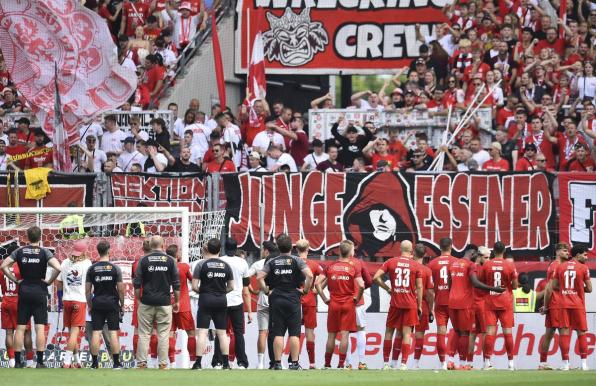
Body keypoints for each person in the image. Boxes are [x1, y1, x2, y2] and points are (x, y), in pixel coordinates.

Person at [0, 226, 61, 368]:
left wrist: (15, 281)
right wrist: (49, 282)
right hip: (39, 291)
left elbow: (3, 265)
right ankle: (39, 361)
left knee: (20, 328)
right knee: (39, 328)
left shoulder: (19, 251)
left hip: (24, 291)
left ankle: (17, 362)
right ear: (40, 237)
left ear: (27, 237)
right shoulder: (44, 252)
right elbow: (58, 267)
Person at [257, 234, 313, 370]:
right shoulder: (297, 260)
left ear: (278, 247)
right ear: (291, 247)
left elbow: (259, 277)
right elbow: (310, 275)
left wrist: (266, 290)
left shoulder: (272, 261)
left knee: (278, 333)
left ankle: (277, 363)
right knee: (294, 333)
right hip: (293, 298)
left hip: (276, 298)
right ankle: (294, 363)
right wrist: (305, 290)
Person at [448, 244, 504, 371]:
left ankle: (460, 361)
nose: (488, 260)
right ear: (476, 255)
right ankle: (483, 363)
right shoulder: (479, 268)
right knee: (479, 333)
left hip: (454, 301)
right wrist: (495, 289)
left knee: (461, 332)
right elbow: (477, 283)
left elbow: (449, 283)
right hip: (476, 304)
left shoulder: (454, 264)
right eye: (486, 257)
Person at [133, 236, 181, 369]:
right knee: (164, 334)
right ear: (163, 245)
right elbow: (176, 285)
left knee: (144, 333)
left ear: (150, 245)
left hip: (146, 301)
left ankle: (142, 363)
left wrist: (138, 299)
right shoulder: (170, 260)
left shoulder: (143, 260)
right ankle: (163, 363)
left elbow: (137, 284)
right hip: (164, 302)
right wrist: (177, 301)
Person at [373, 240, 422, 371]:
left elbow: (376, 277)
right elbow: (419, 286)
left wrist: (387, 289)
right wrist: (419, 305)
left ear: (400, 249)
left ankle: (385, 363)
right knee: (407, 334)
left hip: (395, 302)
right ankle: (404, 364)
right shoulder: (416, 265)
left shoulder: (391, 262)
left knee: (389, 332)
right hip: (410, 303)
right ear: (412, 250)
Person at [316, 240, 364, 369]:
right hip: (348, 303)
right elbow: (362, 285)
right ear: (350, 252)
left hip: (333, 304)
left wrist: (325, 298)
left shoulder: (330, 266)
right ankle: (341, 364)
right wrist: (356, 299)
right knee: (345, 334)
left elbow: (317, 284)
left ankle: (327, 364)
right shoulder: (353, 267)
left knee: (331, 334)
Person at [546, 244, 592, 371]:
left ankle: (565, 364)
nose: (586, 257)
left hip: (563, 304)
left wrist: (566, 289)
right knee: (581, 333)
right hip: (578, 304)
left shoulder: (560, 267)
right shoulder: (583, 268)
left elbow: (553, 286)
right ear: (577, 255)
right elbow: (589, 288)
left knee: (564, 333)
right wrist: (577, 289)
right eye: (585, 255)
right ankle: (584, 364)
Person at [191, 238, 234, 370]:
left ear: (207, 249)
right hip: (221, 300)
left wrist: (203, 292)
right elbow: (231, 286)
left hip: (205, 300)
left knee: (202, 332)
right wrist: (220, 292)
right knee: (222, 333)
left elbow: (194, 286)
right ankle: (226, 364)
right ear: (219, 250)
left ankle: (198, 363)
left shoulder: (201, 265)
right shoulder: (226, 265)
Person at [85, 240, 125, 369]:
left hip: (97, 303)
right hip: (112, 303)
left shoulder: (92, 268)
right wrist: (122, 304)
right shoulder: (115, 268)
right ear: (109, 251)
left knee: (96, 332)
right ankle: (116, 363)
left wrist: (90, 305)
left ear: (98, 251)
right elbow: (121, 289)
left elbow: (87, 290)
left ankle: (95, 363)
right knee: (113, 332)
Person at [214, 238, 251, 369]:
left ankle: (218, 362)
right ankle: (241, 362)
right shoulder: (242, 262)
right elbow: (246, 287)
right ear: (236, 248)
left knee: (220, 332)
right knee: (238, 333)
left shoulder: (220, 261)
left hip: (221, 301)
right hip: (237, 301)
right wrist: (250, 311)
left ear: (224, 248)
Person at [481, 241, 518, 371]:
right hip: (505, 301)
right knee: (507, 332)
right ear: (504, 251)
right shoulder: (509, 265)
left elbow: (482, 283)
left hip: (490, 301)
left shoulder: (486, 265)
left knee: (490, 332)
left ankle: (487, 362)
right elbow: (514, 286)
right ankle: (511, 363)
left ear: (492, 251)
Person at [56, 239, 92, 368]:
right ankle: (66, 362)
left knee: (71, 332)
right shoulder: (87, 263)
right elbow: (90, 285)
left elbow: (58, 282)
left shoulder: (65, 262)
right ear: (84, 251)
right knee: (74, 333)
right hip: (80, 300)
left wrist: (60, 298)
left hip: (66, 300)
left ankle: (77, 361)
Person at [536, 243, 568, 370]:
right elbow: (550, 286)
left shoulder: (555, 265)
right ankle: (566, 363)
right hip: (557, 303)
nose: (567, 253)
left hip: (554, 303)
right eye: (565, 251)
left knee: (549, 334)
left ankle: (543, 363)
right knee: (563, 332)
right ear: (558, 252)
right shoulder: (556, 265)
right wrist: (545, 305)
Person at [248, 241, 278, 369]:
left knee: (262, 332)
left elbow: (245, 277)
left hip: (263, 300)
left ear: (266, 251)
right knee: (277, 333)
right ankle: (277, 361)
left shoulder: (258, 264)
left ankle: (260, 363)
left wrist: (252, 289)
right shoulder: (278, 263)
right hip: (277, 299)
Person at [165, 244, 195, 368]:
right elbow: (194, 280)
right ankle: (193, 362)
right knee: (191, 334)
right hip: (183, 305)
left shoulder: (164, 268)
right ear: (177, 254)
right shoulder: (184, 266)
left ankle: (172, 363)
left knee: (170, 334)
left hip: (167, 305)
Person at [295, 239, 324, 370]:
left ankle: (293, 362)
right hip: (310, 300)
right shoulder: (313, 264)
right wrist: (317, 288)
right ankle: (312, 363)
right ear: (308, 249)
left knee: (293, 332)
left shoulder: (293, 262)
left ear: (296, 250)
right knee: (309, 332)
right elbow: (325, 274)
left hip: (294, 299)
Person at [427, 238, 455, 370]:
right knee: (459, 332)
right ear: (451, 246)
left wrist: (431, 307)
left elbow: (430, 289)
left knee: (441, 332)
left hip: (439, 301)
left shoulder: (432, 264)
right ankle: (454, 360)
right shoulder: (456, 262)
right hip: (455, 302)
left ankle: (443, 363)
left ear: (440, 247)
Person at [412, 243, 434, 370]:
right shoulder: (427, 270)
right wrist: (431, 309)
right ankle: (415, 363)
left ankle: (396, 362)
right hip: (423, 304)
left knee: (402, 333)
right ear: (425, 255)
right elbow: (430, 292)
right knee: (419, 334)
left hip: (406, 302)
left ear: (413, 253)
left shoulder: (408, 267)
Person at [467, 246, 489, 368]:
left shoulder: (471, 267)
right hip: (482, 304)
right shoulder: (485, 268)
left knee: (473, 333)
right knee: (485, 333)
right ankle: (486, 362)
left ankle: (469, 363)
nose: (488, 259)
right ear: (479, 256)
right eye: (486, 257)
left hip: (473, 304)